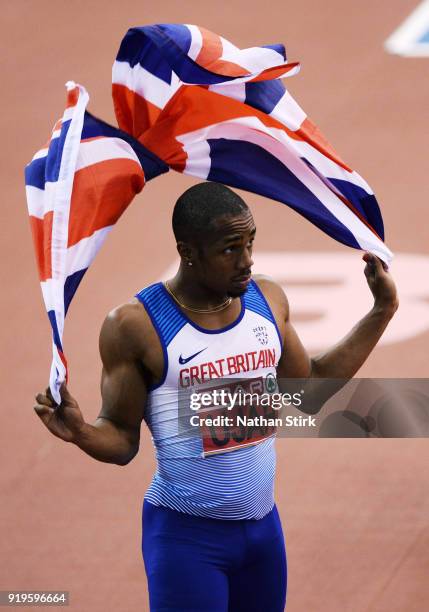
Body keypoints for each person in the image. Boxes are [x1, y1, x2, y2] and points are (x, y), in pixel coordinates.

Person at [34, 182, 399, 611]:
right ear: (188, 251)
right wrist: (81, 432)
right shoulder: (137, 326)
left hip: (263, 534)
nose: (246, 261)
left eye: (250, 244)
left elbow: (309, 391)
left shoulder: (266, 300)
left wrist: (381, 312)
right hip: (187, 541)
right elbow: (121, 439)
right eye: (230, 249)